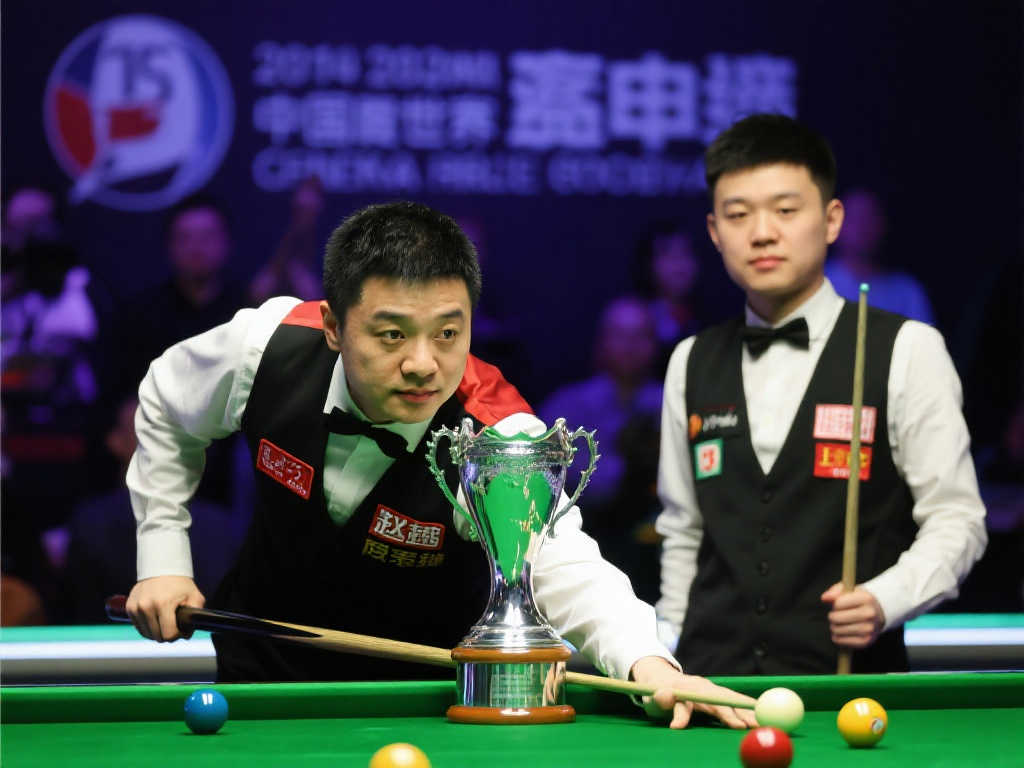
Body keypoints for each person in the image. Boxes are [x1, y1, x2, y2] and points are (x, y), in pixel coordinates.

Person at [125, 201, 756, 730]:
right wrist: (162, 558)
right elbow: (165, 404)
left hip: (425, 701)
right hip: (261, 674)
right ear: (333, 326)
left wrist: (648, 662)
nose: (423, 363)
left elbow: (563, 564)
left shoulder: (497, 433)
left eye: (448, 334)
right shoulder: (263, 348)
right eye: (392, 334)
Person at [655, 114, 987, 675]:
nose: (762, 233)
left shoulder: (907, 349)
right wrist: (663, 652)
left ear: (832, 220)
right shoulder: (691, 359)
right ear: (714, 232)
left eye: (786, 210)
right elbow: (683, 531)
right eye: (738, 214)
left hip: (849, 690)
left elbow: (957, 518)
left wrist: (886, 598)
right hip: (711, 684)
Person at [824, 188, 934, 324]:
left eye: (869, 218)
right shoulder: (816, 282)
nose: (862, 227)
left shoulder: (906, 291)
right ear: (833, 223)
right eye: (854, 219)